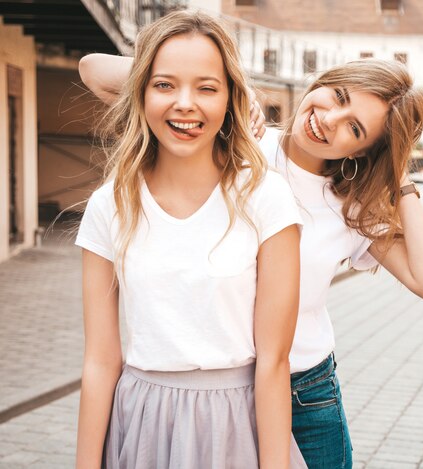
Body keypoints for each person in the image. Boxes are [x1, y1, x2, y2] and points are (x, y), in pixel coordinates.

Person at [80, 53, 423, 468]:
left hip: (303, 395)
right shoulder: (240, 140)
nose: (329, 119)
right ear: (320, 81)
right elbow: (93, 71)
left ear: (365, 149)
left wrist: (398, 174)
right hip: (221, 393)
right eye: (338, 96)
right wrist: (229, 87)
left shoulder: (351, 207)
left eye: (355, 127)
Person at [74, 10, 306, 469]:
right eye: (164, 85)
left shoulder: (266, 197)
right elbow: (100, 361)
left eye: (206, 87)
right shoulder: (110, 204)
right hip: (139, 423)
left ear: (229, 99)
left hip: (236, 424)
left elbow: (274, 361)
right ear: (140, 93)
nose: (185, 103)